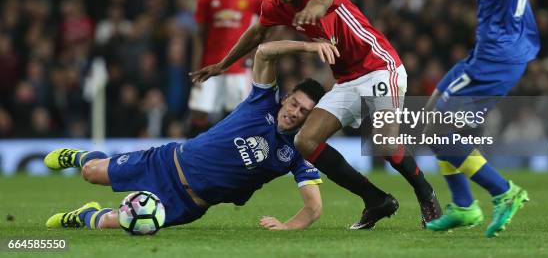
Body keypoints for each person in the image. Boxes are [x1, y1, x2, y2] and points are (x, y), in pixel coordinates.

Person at [191, 0, 441, 229]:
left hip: (380, 66)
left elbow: (324, 0)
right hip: (347, 80)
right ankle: (376, 200)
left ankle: (426, 194)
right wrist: (223, 64)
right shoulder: (275, 5)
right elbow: (257, 34)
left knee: (383, 141)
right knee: (305, 141)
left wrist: (310, 11)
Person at [381, 0, 539, 237]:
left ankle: (505, 192)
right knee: (433, 117)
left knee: (439, 128)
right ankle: (465, 206)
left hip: (498, 54)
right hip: (496, 48)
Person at [44, 40, 336, 231]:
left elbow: (314, 208)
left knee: (110, 222)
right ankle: (81, 156)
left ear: (310, 118)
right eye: (294, 103)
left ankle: (82, 216)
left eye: (305, 112)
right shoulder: (262, 101)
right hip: (165, 162)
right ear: (286, 98)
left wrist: (286, 227)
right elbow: (263, 51)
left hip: (187, 203)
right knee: (91, 172)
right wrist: (310, 47)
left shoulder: (298, 151)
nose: (296, 112)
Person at [189, 0, 268, 135]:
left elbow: (274, 22)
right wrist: (195, 63)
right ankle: (191, 155)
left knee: (234, 114)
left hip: (238, 66)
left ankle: (228, 158)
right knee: (198, 111)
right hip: (209, 63)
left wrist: (254, 51)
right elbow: (200, 34)